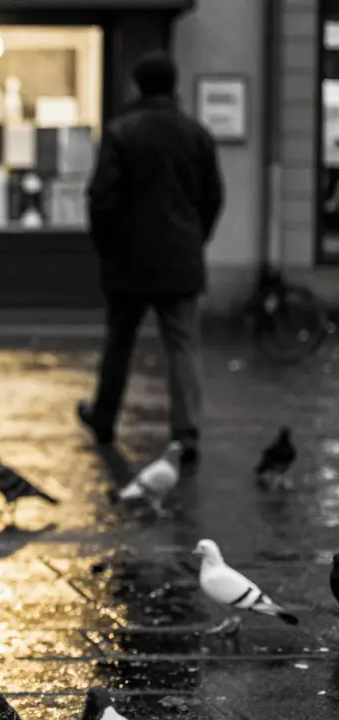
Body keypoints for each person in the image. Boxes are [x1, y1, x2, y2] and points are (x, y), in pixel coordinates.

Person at [77, 52, 225, 466]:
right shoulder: (196, 134)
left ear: (136, 85)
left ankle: (105, 418)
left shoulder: (122, 132)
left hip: (129, 259)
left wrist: (108, 247)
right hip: (180, 259)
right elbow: (213, 197)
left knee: (119, 343)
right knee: (182, 347)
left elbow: (100, 199)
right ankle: (186, 431)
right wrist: (195, 239)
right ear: (174, 84)